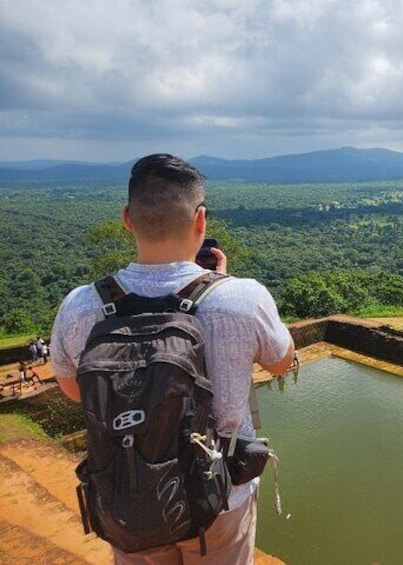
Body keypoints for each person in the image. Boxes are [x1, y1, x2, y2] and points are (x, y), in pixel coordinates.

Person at [50, 154, 295, 564]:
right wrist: (223, 281)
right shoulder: (242, 297)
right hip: (220, 494)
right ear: (201, 220)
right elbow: (281, 363)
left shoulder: (81, 305)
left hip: (128, 494)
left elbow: (76, 391)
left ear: (128, 219)